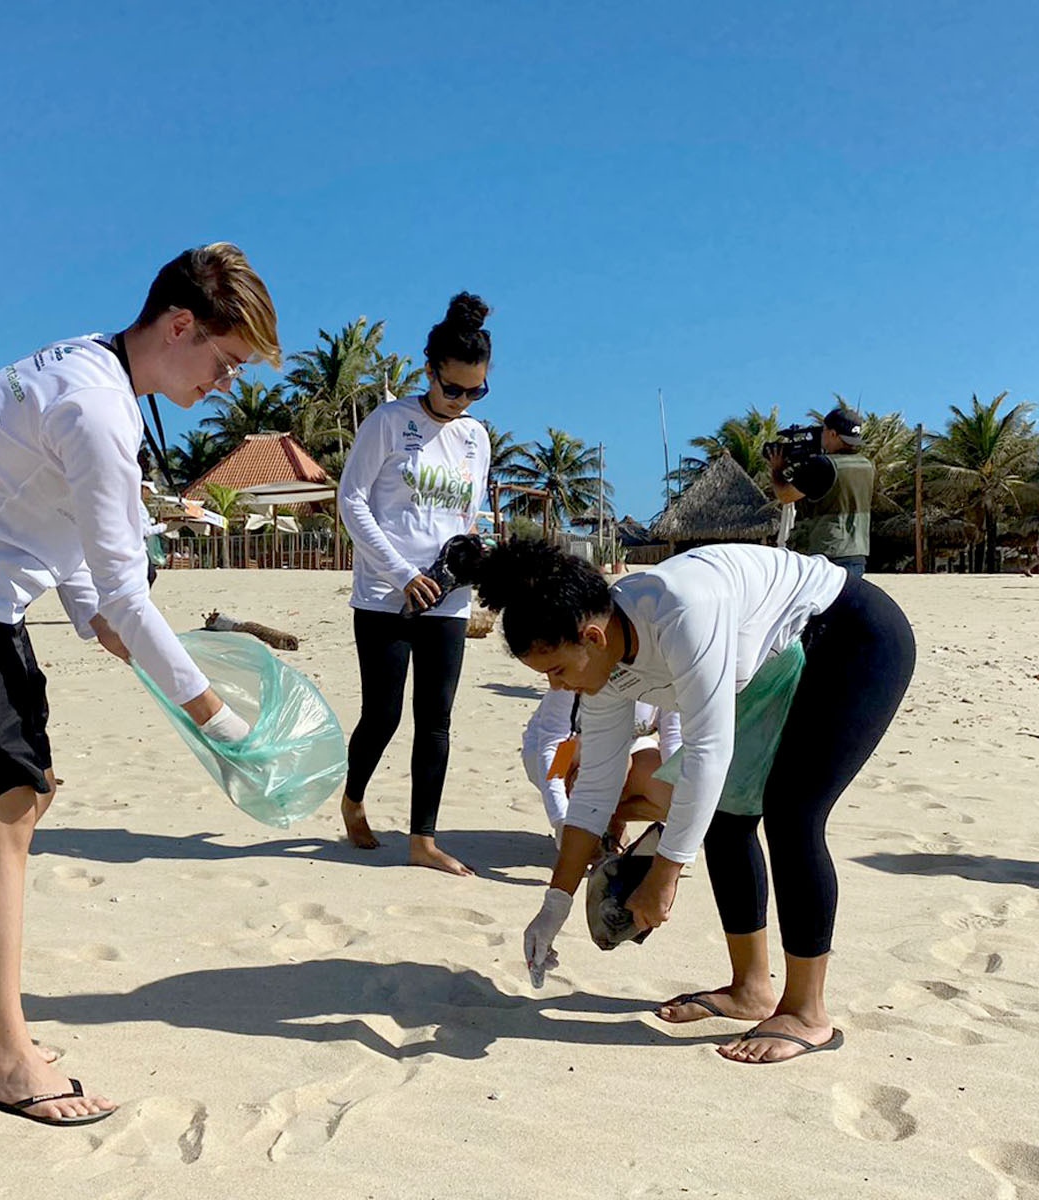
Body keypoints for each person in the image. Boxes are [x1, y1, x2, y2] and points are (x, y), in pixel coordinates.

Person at [0, 243, 279, 1126]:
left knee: (21, 804)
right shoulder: (97, 403)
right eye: (226, 361)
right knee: (5, 809)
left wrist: (102, 627)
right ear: (178, 327)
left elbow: (90, 564)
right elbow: (126, 585)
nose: (226, 383)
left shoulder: (101, 374)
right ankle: (7, 1061)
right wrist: (213, 715)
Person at [469, 539, 915, 1063]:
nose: (555, 685)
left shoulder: (683, 610)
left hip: (851, 637)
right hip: (774, 663)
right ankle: (751, 989)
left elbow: (709, 751)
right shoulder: (603, 665)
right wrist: (554, 904)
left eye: (558, 670)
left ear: (592, 635)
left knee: (794, 813)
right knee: (725, 817)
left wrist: (664, 877)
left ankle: (808, 1013)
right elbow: (595, 789)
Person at [336, 293, 494, 876]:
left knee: (436, 720)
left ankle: (422, 840)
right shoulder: (389, 422)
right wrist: (402, 575)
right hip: (385, 595)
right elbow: (350, 501)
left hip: (448, 600)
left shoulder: (477, 438)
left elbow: (464, 519)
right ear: (428, 371)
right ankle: (353, 800)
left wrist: (473, 557)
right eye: (452, 389)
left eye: (475, 391)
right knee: (383, 714)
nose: (460, 402)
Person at [521, 689, 680, 852]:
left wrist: (688, 799)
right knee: (614, 756)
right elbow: (552, 745)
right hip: (556, 752)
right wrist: (560, 818)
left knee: (675, 794)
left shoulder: (664, 677)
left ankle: (606, 820)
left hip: (627, 746)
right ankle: (580, 826)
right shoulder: (577, 670)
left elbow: (673, 741)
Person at [769, 409, 874, 580]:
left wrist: (777, 470)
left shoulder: (824, 465)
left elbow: (785, 495)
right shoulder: (867, 466)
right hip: (857, 553)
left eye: (823, 430)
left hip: (827, 553)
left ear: (833, 434)